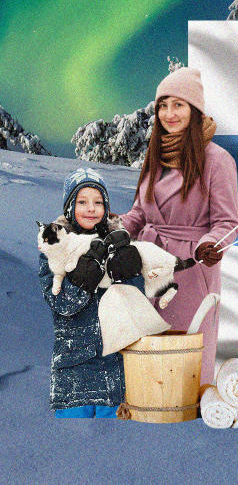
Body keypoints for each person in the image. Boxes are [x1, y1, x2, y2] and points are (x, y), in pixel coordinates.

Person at [121, 67, 238, 385]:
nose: (169, 114)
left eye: (178, 105)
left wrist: (211, 245)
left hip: (191, 270)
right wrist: (115, 229)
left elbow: (227, 222)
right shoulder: (155, 157)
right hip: (150, 270)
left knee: (186, 363)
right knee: (151, 361)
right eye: (163, 105)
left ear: (195, 109)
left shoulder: (218, 160)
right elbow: (139, 214)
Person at [39, 168, 145, 417]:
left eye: (98, 202)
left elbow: (136, 307)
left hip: (116, 376)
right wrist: (82, 281)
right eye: (82, 202)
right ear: (69, 207)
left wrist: (129, 275)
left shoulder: (118, 244)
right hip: (73, 376)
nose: (91, 208)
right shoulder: (54, 246)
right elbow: (61, 303)